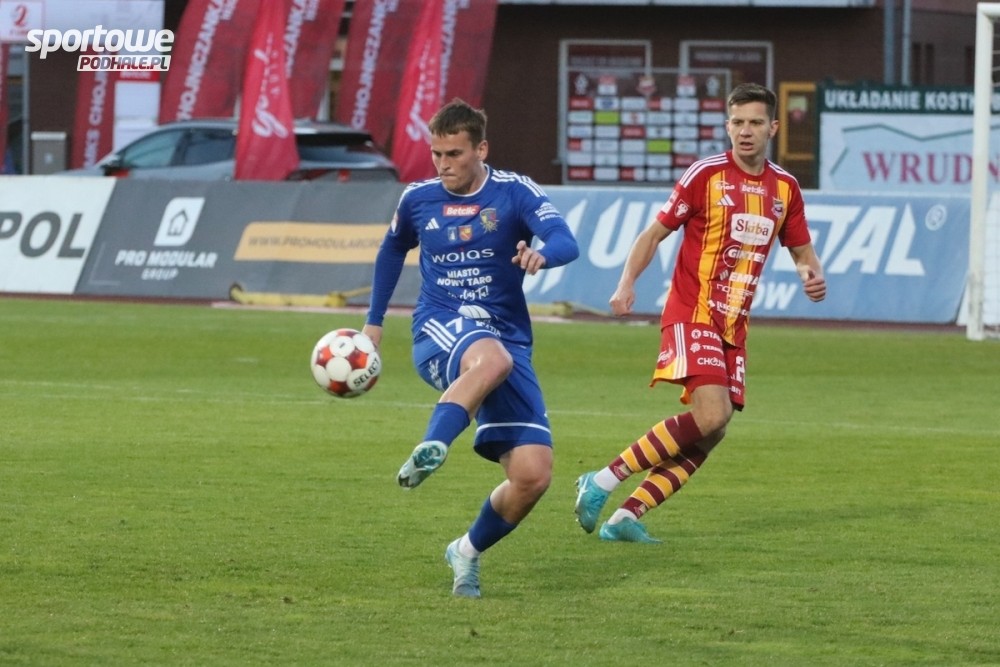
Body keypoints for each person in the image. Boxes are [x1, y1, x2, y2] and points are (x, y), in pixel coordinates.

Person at [574, 82, 827, 544]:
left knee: (714, 430)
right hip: (693, 310)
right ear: (727, 126)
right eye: (737, 122)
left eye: (755, 123)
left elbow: (801, 251)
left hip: (735, 324)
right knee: (711, 415)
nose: (745, 131)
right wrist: (626, 284)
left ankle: (626, 516)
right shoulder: (705, 175)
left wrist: (811, 275)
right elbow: (653, 234)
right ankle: (603, 479)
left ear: (772, 127)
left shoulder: (785, 188)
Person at [362, 98, 579, 596]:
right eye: (437, 154)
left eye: (454, 154)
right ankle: (433, 445)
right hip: (439, 328)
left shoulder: (515, 192)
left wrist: (542, 256)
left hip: (506, 338)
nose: (443, 164)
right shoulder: (418, 199)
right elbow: (392, 248)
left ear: (481, 149)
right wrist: (374, 323)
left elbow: (565, 239)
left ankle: (465, 550)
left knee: (532, 475)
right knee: (491, 358)